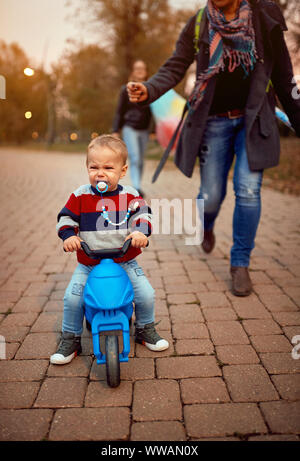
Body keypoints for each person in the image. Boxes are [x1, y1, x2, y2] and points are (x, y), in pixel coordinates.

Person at [127, 0, 300, 297]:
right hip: (214, 123)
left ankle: (240, 263)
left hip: (253, 120)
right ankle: (206, 224)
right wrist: (150, 89)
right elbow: (175, 66)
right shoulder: (199, 23)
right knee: (210, 197)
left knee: (248, 190)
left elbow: (284, 76)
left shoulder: (264, 17)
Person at [50, 134, 169, 365]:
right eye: (94, 167)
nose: (100, 173)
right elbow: (65, 218)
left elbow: (143, 214)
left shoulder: (131, 195)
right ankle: (71, 338)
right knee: (72, 299)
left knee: (145, 294)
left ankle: (145, 329)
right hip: (89, 263)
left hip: (124, 261)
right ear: (87, 168)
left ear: (122, 171)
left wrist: (140, 233)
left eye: (108, 167)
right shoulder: (81, 195)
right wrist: (69, 236)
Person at [112, 60, 152, 197]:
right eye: (137, 68)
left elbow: (154, 112)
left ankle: (138, 184)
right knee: (134, 157)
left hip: (144, 129)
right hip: (129, 127)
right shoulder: (125, 90)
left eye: (142, 68)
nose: (140, 70)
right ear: (133, 72)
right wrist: (115, 130)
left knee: (141, 159)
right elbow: (119, 110)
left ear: (146, 72)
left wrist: (155, 131)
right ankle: (136, 188)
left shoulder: (151, 90)